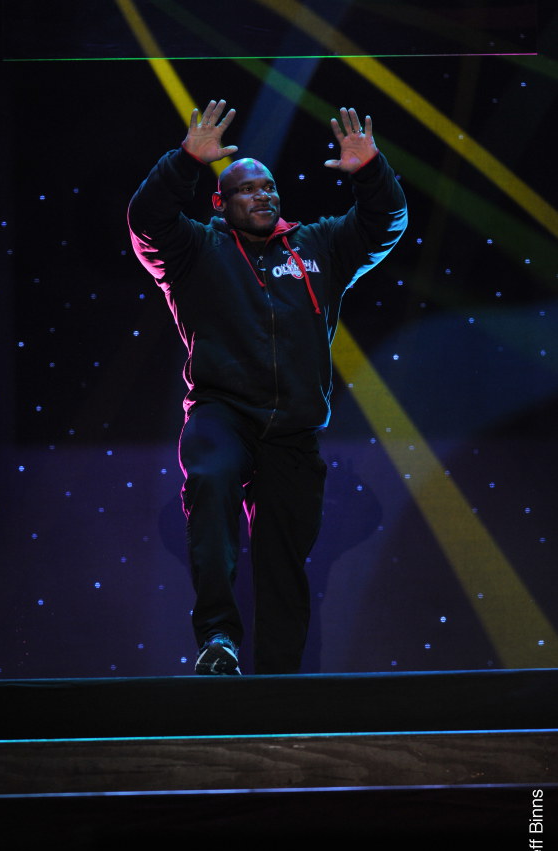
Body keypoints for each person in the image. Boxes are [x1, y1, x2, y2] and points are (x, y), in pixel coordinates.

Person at [128, 99, 407, 676]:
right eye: (247, 190)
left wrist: (371, 171)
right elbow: (146, 220)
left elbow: (386, 223)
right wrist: (185, 161)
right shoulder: (194, 251)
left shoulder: (318, 246)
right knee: (211, 479)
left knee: (283, 559)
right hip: (222, 413)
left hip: (294, 429)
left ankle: (278, 680)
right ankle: (218, 639)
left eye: (270, 188)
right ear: (221, 203)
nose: (263, 197)